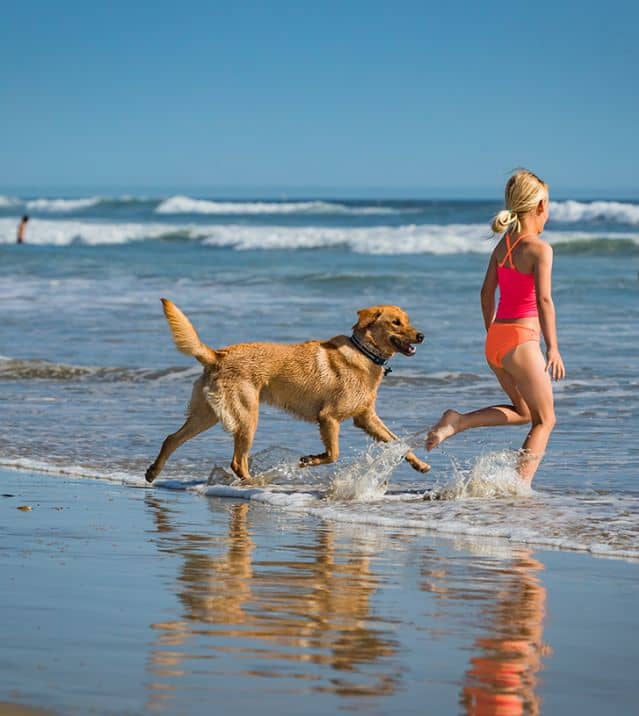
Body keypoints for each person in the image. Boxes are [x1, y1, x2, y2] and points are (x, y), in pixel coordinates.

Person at [426, 170, 565, 485]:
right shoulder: (540, 249)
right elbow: (544, 300)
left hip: (497, 340)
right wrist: (553, 348)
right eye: (549, 204)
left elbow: (485, 293)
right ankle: (519, 486)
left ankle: (457, 421)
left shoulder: (503, 247)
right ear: (540, 207)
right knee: (546, 420)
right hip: (522, 341)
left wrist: (493, 333)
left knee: (526, 412)